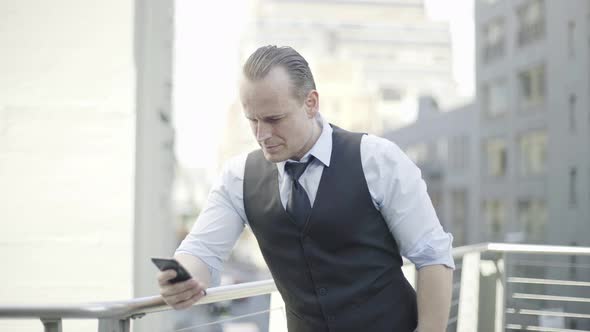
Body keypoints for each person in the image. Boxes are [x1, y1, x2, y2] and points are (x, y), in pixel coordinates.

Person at [157, 45, 454, 332]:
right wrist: (181, 278)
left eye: (274, 119)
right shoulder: (238, 178)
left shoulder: (377, 159)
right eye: (253, 120)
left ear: (311, 103)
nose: (262, 134)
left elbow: (432, 256)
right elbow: (201, 251)